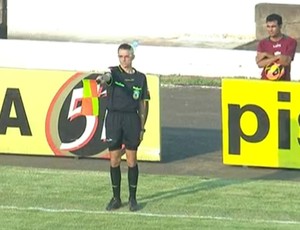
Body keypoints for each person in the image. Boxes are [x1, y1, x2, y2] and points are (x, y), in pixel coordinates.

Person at [96, 43, 150, 212]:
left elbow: (143, 104)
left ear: (132, 57)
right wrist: (101, 79)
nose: (123, 59)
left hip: (131, 119)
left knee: (132, 160)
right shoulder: (114, 73)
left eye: (126, 56)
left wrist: (142, 127)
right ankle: (116, 198)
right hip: (114, 118)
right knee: (114, 160)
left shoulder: (141, 78)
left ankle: (132, 199)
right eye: (121, 56)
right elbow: (105, 78)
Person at [256, 13, 297, 81]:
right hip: (265, 81)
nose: (270, 30)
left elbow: (286, 62)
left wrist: (267, 55)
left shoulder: (291, 42)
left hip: (283, 82)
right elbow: (260, 64)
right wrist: (278, 57)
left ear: (280, 26)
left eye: (273, 26)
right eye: (268, 26)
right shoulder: (262, 43)